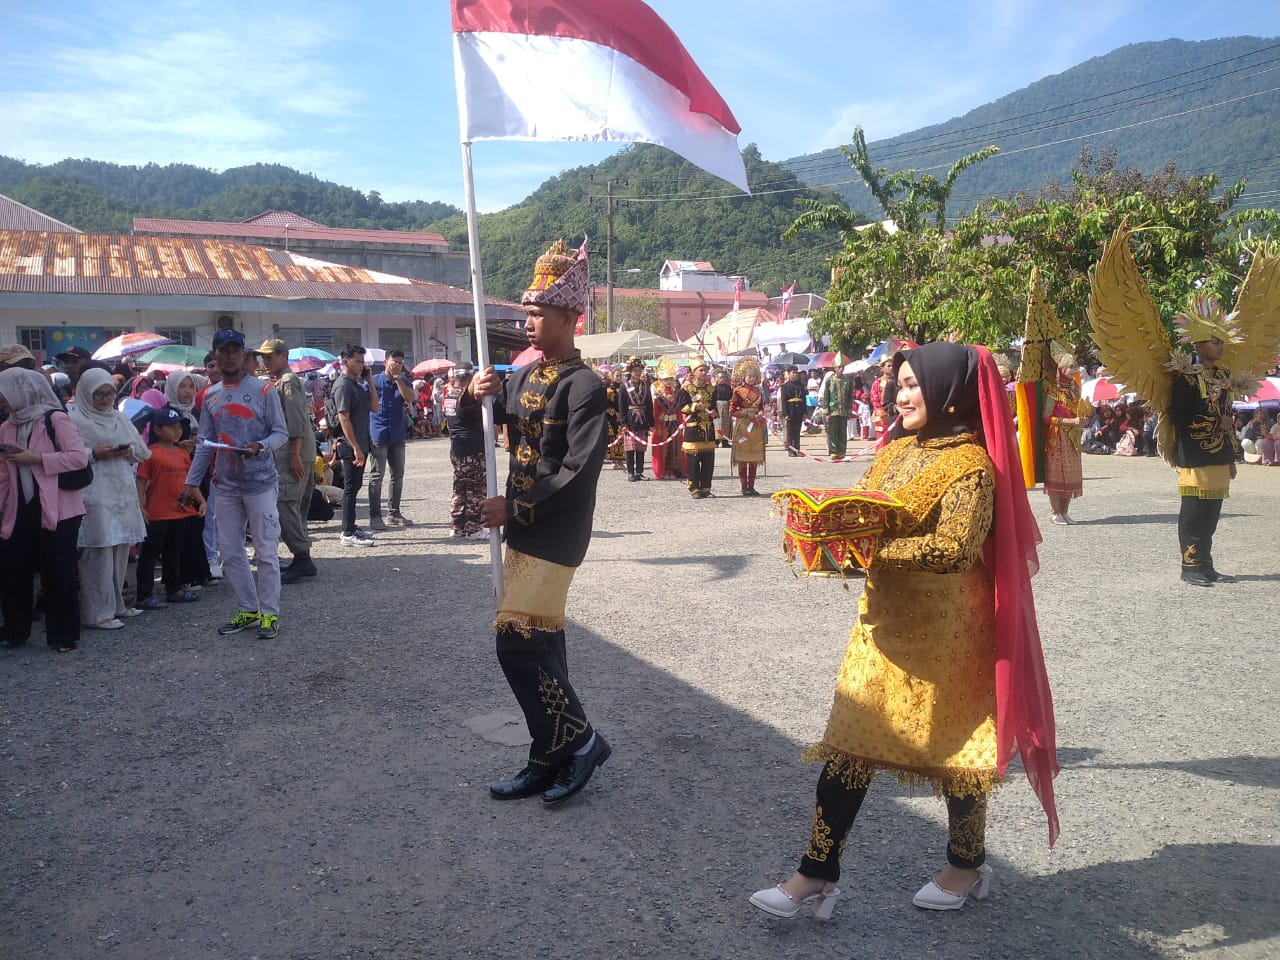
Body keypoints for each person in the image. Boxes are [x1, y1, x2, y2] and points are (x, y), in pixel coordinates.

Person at [750, 343, 1059, 920]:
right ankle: (816, 874)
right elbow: (865, 511)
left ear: (948, 392)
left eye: (916, 385)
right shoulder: (894, 451)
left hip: (950, 631)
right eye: (901, 384)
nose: (902, 394)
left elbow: (953, 549)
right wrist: (828, 538)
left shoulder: (972, 466)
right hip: (883, 622)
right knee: (849, 746)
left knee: (957, 753)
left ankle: (966, 866)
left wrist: (872, 551)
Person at [470, 238, 611, 806]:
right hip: (522, 529)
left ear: (569, 318)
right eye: (527, 313)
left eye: (538, 313)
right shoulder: (525, 378)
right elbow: (483, 424)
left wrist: (517, 508)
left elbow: (580, 473)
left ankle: (582, 741)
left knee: (515, 641)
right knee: (544, 643)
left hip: (556, 529)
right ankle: (545, 754)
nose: (528, 323)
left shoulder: (587, 386)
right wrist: (472, 394)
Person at [179, 328, 288, 638]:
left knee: (266, 552)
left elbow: (280, 433)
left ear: (244, 355)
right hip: (225, 485)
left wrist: (260, 446)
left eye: (234, 350)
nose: (228, 356)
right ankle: (248, 609)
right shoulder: (211, 396)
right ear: (214, 355)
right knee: (230, 551)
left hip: (260, 482)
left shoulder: (265, 390)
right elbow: (204, 442)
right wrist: (191, 482)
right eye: (222, 351)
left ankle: (270, 614)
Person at [0, 369, 88, 652]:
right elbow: (3, 473)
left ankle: (64, 635)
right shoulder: (7, 426)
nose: (2, 398)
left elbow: (77, 458)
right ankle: (16, 629)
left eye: (5, 392)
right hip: (20, 506)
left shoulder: (55, 419)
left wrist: (35, 459)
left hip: (60, 509)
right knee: (13, 569)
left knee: (58, 571)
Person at [68, 367, 151, 629]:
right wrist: (95, 453)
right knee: (98, 552)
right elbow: (70, 455)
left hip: (121, 490)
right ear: (85, 394)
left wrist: (128, 451)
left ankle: (117, 605)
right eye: (98, 395)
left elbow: (142, 450)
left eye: (109, 394)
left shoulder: (119, 418)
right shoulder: (75, 420)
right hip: (94, 491)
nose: (105, 400)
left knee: (119, 551)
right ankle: (96, 613)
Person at [1167, 305, 1241, 586]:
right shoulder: (1186, 378)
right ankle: (1189, 566)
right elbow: (1179, 416)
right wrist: (1214, 423)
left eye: (1222, 342)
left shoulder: (1223, 377)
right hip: (1195, 455)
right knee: (1193, 513)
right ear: (1198, 345)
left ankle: (1206, 564)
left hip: (1220, 454)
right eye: (1214, 341)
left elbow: (1227, 417)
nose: (1220, 346)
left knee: (1211, 514)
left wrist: (1232, 457)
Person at [254, 339, 318, 583]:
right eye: (264, 357)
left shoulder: (288, 381)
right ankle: (302, 556)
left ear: (283, 356)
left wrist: (294, 453)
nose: (265, 361)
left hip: (294, 450)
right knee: (295, 506)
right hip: (299, 450)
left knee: (286, 503)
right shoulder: (281, 381)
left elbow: (296, 419)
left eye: (269, 357)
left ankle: (302, 558)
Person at [134, 407, 206, 609]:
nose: (177, 431)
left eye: (179, 427)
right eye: (171, 427)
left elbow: (190, 481)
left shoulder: (183, 454)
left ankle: (174, 589)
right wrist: (141, 506)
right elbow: (141, 482)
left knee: (174, 552)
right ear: (157, 430)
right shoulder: (150, 454)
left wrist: (201, 500)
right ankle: (143, 595)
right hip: (157, 513)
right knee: (149, 555)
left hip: (179, 511)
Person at [331, 344, 380, 548]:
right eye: (357, 361)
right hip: (351, 445)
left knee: (356, 486)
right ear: (345, 361)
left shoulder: (356, 383)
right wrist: (355, 447)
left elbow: (375, 407)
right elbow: (344, 418)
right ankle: (347, 532)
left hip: (360, 443)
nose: (361, 365)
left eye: (363, 362)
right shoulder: (343, 385)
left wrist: (369, 380)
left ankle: (350, 525)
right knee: (350, 488)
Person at [368, 348, 416, 528]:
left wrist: (398, 379)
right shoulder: (375, 381)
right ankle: (375, 515)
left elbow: (410, 399)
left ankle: (394, 513)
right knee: (376, 476)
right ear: (386, 361)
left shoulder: (404, 381)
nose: (397, 365)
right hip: (378, 433)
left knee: (398, 475)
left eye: (400, 362)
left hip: (397, 433)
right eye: (394, 361)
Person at [1041, 350, 1088, 525]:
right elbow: (1046, 417)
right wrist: (1070, 420)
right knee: (1057, 474)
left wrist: (1083, 418)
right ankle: (1055, 512)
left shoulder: (1074, 389)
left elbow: (1079, 408)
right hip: (1058, 436)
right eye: (1071, 366)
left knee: (1071, 474)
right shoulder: (1054, 390)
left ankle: (1065, 511)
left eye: (1075, 366)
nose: (1075, 369)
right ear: (1061, 368)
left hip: (1073, 437)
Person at [443, 364, 487, 540]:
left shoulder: (450, 395)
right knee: (476, 489)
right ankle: (474, 528)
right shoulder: (465, 398)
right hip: (472, 448)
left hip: (457, 448)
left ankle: (457, 525)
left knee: (460, 487)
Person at [676, 361, 717, 498]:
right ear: (694, 372)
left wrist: (714, 413)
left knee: (708, 460)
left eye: (705, 370)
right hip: (693, 428)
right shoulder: (686, 390)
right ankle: (694, 488)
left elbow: (714, 406)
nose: (704, 373)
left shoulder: (711, 389)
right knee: (693, 461)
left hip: (708, 429)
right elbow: (681, 406)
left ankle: (706, 487)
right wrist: (694, 408)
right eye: (701, 370)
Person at [730, 358, 767, 495]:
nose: (751, 379)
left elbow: (762, 407)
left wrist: (760, 413)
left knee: (754, 458)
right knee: (742, 458)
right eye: (749, 376)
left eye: (753, 376)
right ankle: (744, 486)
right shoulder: (738, 391)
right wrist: (746, 412)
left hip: (756, 426)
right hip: (743, 426)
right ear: (743, 377)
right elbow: (732, 410)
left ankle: (751, 486)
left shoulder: (758, 391)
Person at [618, 356, 653, 481]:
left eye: (639, 370)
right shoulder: (624, 386)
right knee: (630, 448)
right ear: (630, 372)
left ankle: (639, 472)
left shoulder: (645, 385)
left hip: (643, 419)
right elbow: (621, 406)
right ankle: (630, 472)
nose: (637, 373)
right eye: (635, 370)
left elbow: (649, 404)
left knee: (641, 448)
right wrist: (623, 423)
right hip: (630, 418)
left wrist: (651, 422)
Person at [650, 358, 684, 481]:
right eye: (666, 379)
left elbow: (679, 408)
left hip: (674, 421)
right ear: (661, 379)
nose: (668, 381)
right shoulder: (657, 389)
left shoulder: (676, 390)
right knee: (662, 447)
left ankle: (672, 469)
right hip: (662, 422)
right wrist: (656, 424)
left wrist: (680, 422)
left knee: (673, 448)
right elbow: (655, 409)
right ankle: (662, 470)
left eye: (670, 379)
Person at [819, 354, 853, 457]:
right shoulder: (830, 380)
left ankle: (842, 451)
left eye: (842, 367)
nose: (841, 369)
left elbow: (849, 397)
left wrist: (849, 411)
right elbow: (826, 396)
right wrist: (826, 411)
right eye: (839, 367)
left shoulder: (848, 381)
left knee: (842, 432)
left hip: (843, 410)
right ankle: (833, 451)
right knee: (833, 432)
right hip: (833, 410)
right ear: (834, 368)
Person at [779, 365, 808, 455]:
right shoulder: (785, 386)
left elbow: (804, 399)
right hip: (790, 410)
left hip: (799, 410)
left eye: (796, 373)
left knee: (797, 431)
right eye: (793, 373)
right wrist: (785, 413)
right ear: (789, 374)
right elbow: (783, 401)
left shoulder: (801, 385)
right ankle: (791, 450)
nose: (795, 375)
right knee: (790, 432)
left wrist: (804, 412)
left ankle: (797, 449)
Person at [869, 358, 897, 439]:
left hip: (894, 414)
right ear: (882, 368)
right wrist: (882, 412)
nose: (891, 368)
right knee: (882, 438)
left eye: (892, 366)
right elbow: (874, 399)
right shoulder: (877, 383)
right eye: (888, 366)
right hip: (882, 415)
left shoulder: (897, 382)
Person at [713, 368, 733, 448]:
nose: (722, 379)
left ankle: (725, 441)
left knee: (726, 425)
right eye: (721, 378)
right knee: (717, 424)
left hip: (726, 407)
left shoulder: (728, 388)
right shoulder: (714, 388)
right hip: (717, 406)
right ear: (717, 379)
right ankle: (716, 441)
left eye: (724, 377)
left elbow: (731, 396)